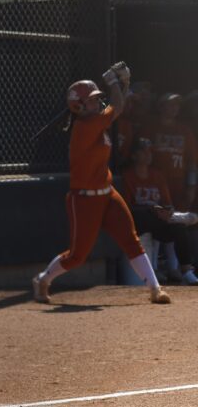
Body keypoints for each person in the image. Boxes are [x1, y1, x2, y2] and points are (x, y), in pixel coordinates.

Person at [32, 61, 171, 304]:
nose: (97, 102)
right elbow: (117, 107)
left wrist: (122, 84)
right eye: (92, 100)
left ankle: (155, 289)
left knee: (131, 240)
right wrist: (114, 81)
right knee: (77, 257)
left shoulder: (95, 119)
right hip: (83, 200)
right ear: (78, 106)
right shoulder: (85, 126)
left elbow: (117, 106)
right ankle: (43, 279)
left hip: (107, 194)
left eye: (97, 99)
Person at [122, 136, 198, 285]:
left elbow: (167, 204)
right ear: (134, 156)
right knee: (145, 216)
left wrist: (167, 212)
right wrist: (150, 208)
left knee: (179, 227)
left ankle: (186, 271)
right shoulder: (127, 176)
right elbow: (126, 207)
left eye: (150, 151)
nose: (148, 154)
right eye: (144, 151)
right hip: (138, 220)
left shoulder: (157, 175)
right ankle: (155, 269)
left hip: (157, 220)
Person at [139, 93, 197, 212]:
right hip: (154, 182)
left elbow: (192, 162)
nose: (175, 108)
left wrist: (191, 186)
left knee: (178, 216)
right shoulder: (149, 128)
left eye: (177, 105)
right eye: (171, 104)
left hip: (178, 183)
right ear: (161, 107)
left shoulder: (185, 131)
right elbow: (140, 155)